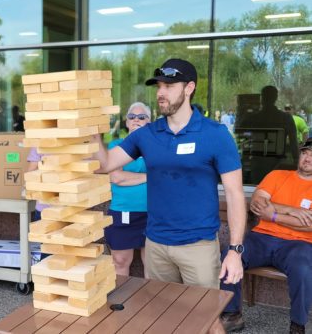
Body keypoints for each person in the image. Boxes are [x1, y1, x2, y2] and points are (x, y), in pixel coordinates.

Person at [93, 59, 246, 332]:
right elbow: (105, 164)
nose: (161, 92)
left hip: (197, 247)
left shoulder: (215, 134)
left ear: (189, 88)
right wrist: (91, 129)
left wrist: (234, 250)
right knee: (162, 320)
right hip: (156, 247)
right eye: (159, 86)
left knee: (207, 320)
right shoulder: (148, 135)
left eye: (169, 85)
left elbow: (235, 194)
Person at [220, 139, 312, 334]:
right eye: (305, 152)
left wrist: (274, 214)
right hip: (261, 237)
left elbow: (309, 226)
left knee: (302, 269)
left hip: (299, 244)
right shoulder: (278, 175)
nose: (308, 157)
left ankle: (297, 324)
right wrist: (291, 210)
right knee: (230, 255)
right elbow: (257, 203)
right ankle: (232, 315)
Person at [105, 102, 150, 276]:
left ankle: (150, 302)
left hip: (153, 212)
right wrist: (149, 177)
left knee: (154, 266)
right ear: (126, 122)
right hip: (123, 211)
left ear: (149, 121)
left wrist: (130, 177)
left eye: (141, 117)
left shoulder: (156, 146)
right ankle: (121, 302)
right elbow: (117, 177)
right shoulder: (116, 146)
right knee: (120, 262)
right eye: (132, 117)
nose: (136, 120)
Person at [238, 86, 298, 184]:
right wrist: (296, 161)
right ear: (276, 98)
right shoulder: (285, 118)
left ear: (262, 98)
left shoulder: (253, 118)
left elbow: (240, 135)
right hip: (278, 164)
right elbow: (293, 144)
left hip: (257, 164)